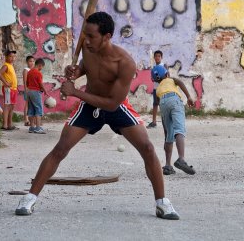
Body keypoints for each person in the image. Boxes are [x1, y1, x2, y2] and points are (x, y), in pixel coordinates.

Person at [15, 12, 180, 220]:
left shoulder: (125, 63)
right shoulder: (88, 47)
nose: (86, 39)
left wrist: (75, 91)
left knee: (147, 147)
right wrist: (75, 72)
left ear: (107, 36)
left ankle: (162, 203)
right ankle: (29, 198)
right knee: (60, 149)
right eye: (85, 34)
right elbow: (86, 67)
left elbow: (112, 103)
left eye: (92, 36)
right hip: (89, 106)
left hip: (115, 106)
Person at [156, 71, 196, 175]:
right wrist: (189, 97)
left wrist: (165, 129)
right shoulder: (171, 79)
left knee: (169, 135)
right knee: (179, 130)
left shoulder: (158, 89)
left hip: (163, 104)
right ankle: (181, 159)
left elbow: (159, 104)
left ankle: (168, 166)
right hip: (174, 100)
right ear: (166, 75)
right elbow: (180, 82)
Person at [26, 58, 49, 134]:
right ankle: (38, 128)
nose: (41, 68)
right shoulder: (38, 73)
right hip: (36, 92)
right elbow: (41, 84)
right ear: (40, 65)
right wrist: (45, 91)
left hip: (29, 91)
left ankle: (32, 127)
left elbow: (27, 83)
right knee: (38, 109)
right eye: (42, 67)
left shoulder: (29, 72)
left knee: (31, 109)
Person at [0, 50, 18, 130]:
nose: (12, 58)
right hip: (8, 89)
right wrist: (5, 83)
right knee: (7, 106)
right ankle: (5, 125)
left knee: (12, 106)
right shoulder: (6, 65)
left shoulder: (11, 65)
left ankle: (10, 124)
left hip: (13, 89)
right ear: (6, 57)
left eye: (14, 56)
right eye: (10, 56)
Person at [147, 50, 169, 129]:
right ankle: (154, 122)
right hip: (156, 88)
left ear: (161, 57)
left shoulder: (164, 65)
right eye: (156, 56)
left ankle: (166, 121)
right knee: (155, 104)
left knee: (163, 104)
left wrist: (160, 79)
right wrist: (154, 79)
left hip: (163, 88)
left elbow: (168, 76)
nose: (157, 57)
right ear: (154, 57)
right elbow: (153, 78)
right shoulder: (154, 68)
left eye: (159, 56)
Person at [23, 56, 35, 126]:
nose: (32, 63)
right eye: (30, 61)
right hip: (28, 89)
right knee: (27, 105)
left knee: (33, 105)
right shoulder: (26, 70)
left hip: (34, 90)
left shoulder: (33, 70)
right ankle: (26, 119)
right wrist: (26, 89)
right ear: (27, 62)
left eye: (33, 61)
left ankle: (32, 120)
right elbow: (25, 81)